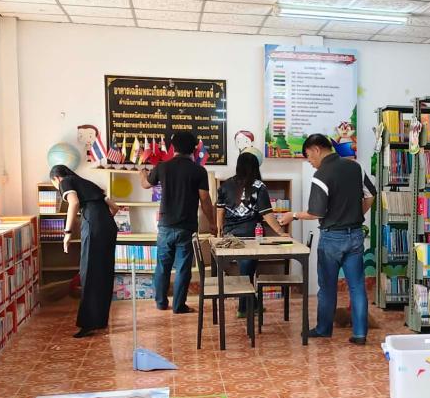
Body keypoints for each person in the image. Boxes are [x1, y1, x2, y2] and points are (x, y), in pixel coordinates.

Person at [276, 133, 375, 344]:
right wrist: (357, 215)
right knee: (357, 286)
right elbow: (370, 195)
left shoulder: (321, 175)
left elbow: (316, 213)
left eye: (308, 157)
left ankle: (323, 329)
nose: (309, 162)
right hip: (355, 234)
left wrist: (293, 215)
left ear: (316, 149)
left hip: (332, 238)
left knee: (328, 287)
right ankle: (360, 334)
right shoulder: (355, 167)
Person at [140, 131, 216, 314]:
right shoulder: (199, 171)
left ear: (173, 147)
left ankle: (160, 302)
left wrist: (142, 174)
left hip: (165, 226)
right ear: (193, 149)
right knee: (183, 268)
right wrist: (212, 222)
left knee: (162, 266)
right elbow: (205, 199)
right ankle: (179, 306)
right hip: (187, 227)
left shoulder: (162, 167)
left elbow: (145, 184)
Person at [49, 164, 119, 338]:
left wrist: (67, 233)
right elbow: (115, 207)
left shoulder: (65, 181)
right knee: (104, 272)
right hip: (108, 226)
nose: (57, 187)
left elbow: (74, 203)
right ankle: (100, 320)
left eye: (54, 184)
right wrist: (103, 220)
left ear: (56, 178)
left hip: (94, 225)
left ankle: (88, 323)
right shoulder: (87, 183)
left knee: (88, 272)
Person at [217, 151, 285, 312]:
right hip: (252, 235)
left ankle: (252, 305)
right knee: (247, 271)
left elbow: (220, 211)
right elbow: (266, 213)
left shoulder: (225, 185)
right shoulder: (258, 186)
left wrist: (219, 232)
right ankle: (244, 307)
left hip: (231, 236)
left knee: (246, 271)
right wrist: (280, 232)